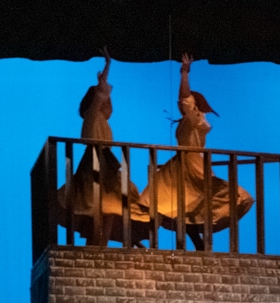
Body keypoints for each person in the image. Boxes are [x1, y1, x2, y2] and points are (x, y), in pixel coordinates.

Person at [140, 52, 253, 250]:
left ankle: (196, 246)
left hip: (191, 163)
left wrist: (184, 72)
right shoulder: (191, 120)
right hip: (185, 163)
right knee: (178, 207)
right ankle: (192, 246)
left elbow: (184, 97)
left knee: (187, 205)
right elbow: (184, 98)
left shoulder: (194, 119)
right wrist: (184, 73)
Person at [61, 48, 133, 245]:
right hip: (95, 163)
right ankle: (96, 245)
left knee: (109, 208)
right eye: (105, 99)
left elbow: (103, 99)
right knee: (100, 208)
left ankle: (99, 245)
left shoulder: (101, 118)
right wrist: (103, 78)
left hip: (105, 162)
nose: (108, 102)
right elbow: (99, 98)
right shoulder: (92, 115)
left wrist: (107, 70)